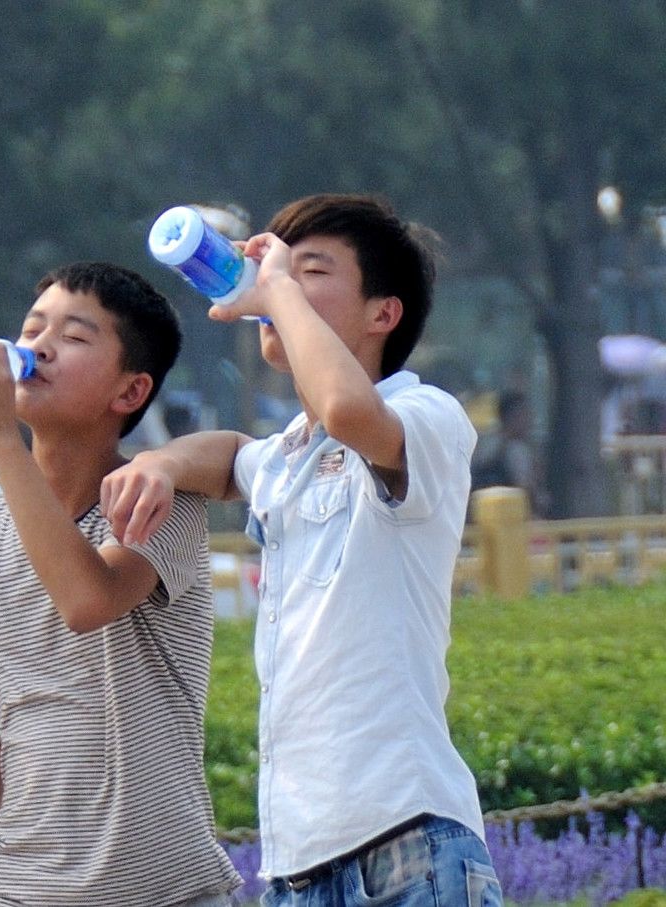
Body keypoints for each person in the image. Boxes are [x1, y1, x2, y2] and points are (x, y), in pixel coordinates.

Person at [101, 195, 502, 904]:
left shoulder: (426, 415)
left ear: (384, 313)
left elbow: (349, 411)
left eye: (310, 268)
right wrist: (161, 464)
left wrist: (278, 287)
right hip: (295, 865)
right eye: (275, 261)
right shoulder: (285, 456)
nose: (275, 277)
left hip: (407, 840)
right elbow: (229, 458)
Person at [0, 262, 242, 907]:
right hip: (22, 889)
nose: (37, 346)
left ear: (130, 392)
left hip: (166, 891)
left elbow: (87, 599)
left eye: (73, 337)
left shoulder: (162, 501)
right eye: (32, 327)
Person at [472, 389, 550, 516]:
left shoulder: (483, 445)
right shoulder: (517, 451)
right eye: (525, 415)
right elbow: (526, 487)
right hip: (514, 522)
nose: (529, 422)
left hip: (481, 520)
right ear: (513, 417)